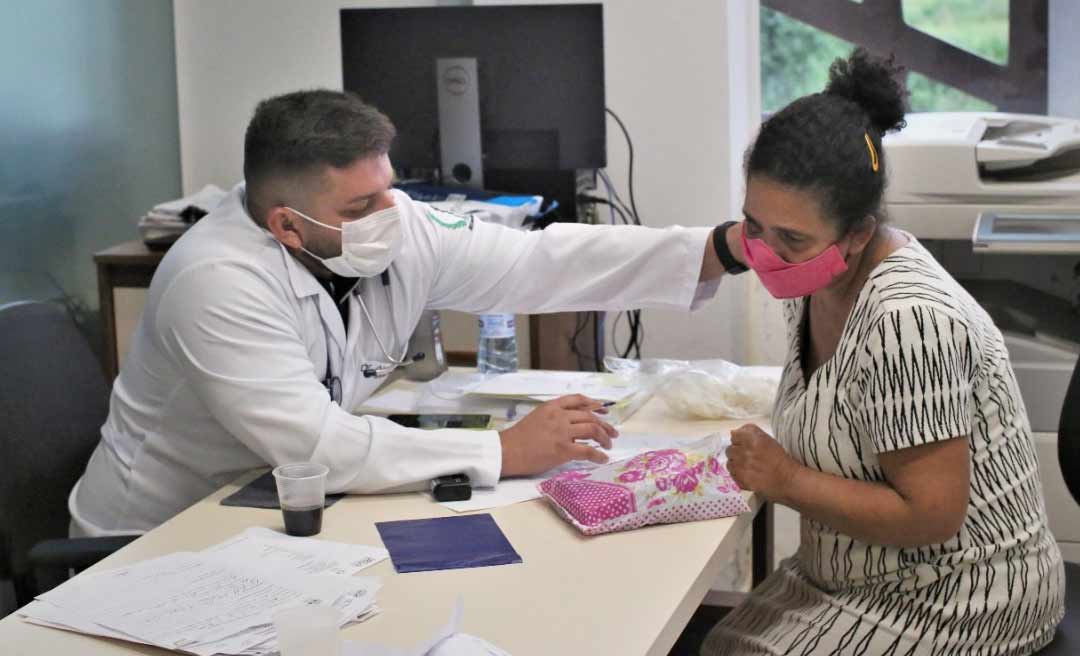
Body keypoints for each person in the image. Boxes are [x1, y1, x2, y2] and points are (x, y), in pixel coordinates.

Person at [70, 89, 743, 535]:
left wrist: (719, 249)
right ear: (287, 225)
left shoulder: (392, 223)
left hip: (274, 510)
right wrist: (503, 449)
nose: (391, 215)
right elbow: (316, 447)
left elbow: (536, 262)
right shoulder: (216, 281)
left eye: (388, 190)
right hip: (156, 539)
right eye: (360, 207)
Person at [703, 50, 1064, 655]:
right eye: (754, 226)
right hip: (853, 573)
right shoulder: (816, 280)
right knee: (716, 644)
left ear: (858, 234)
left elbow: (931, 515)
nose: (764, 253)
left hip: (960, 595)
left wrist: (785, 478)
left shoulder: (908, 321)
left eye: (791, 238)